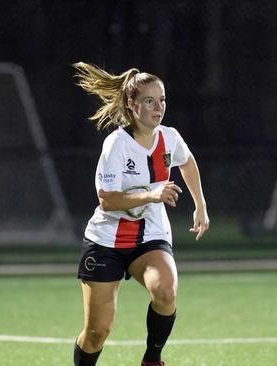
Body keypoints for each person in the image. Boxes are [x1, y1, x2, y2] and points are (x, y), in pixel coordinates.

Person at [72, 62, 209, 366]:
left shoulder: (170, 138)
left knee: (166, 290)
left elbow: (187, 162)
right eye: (150, 101)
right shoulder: (116, 144)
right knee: (98, 331)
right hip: (106, 240)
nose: (158, 107)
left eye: (162, 100)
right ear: (132, 106)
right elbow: (107, 200)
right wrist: (152, 194)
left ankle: (152, 360)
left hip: (150, 236)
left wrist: (200, 204)